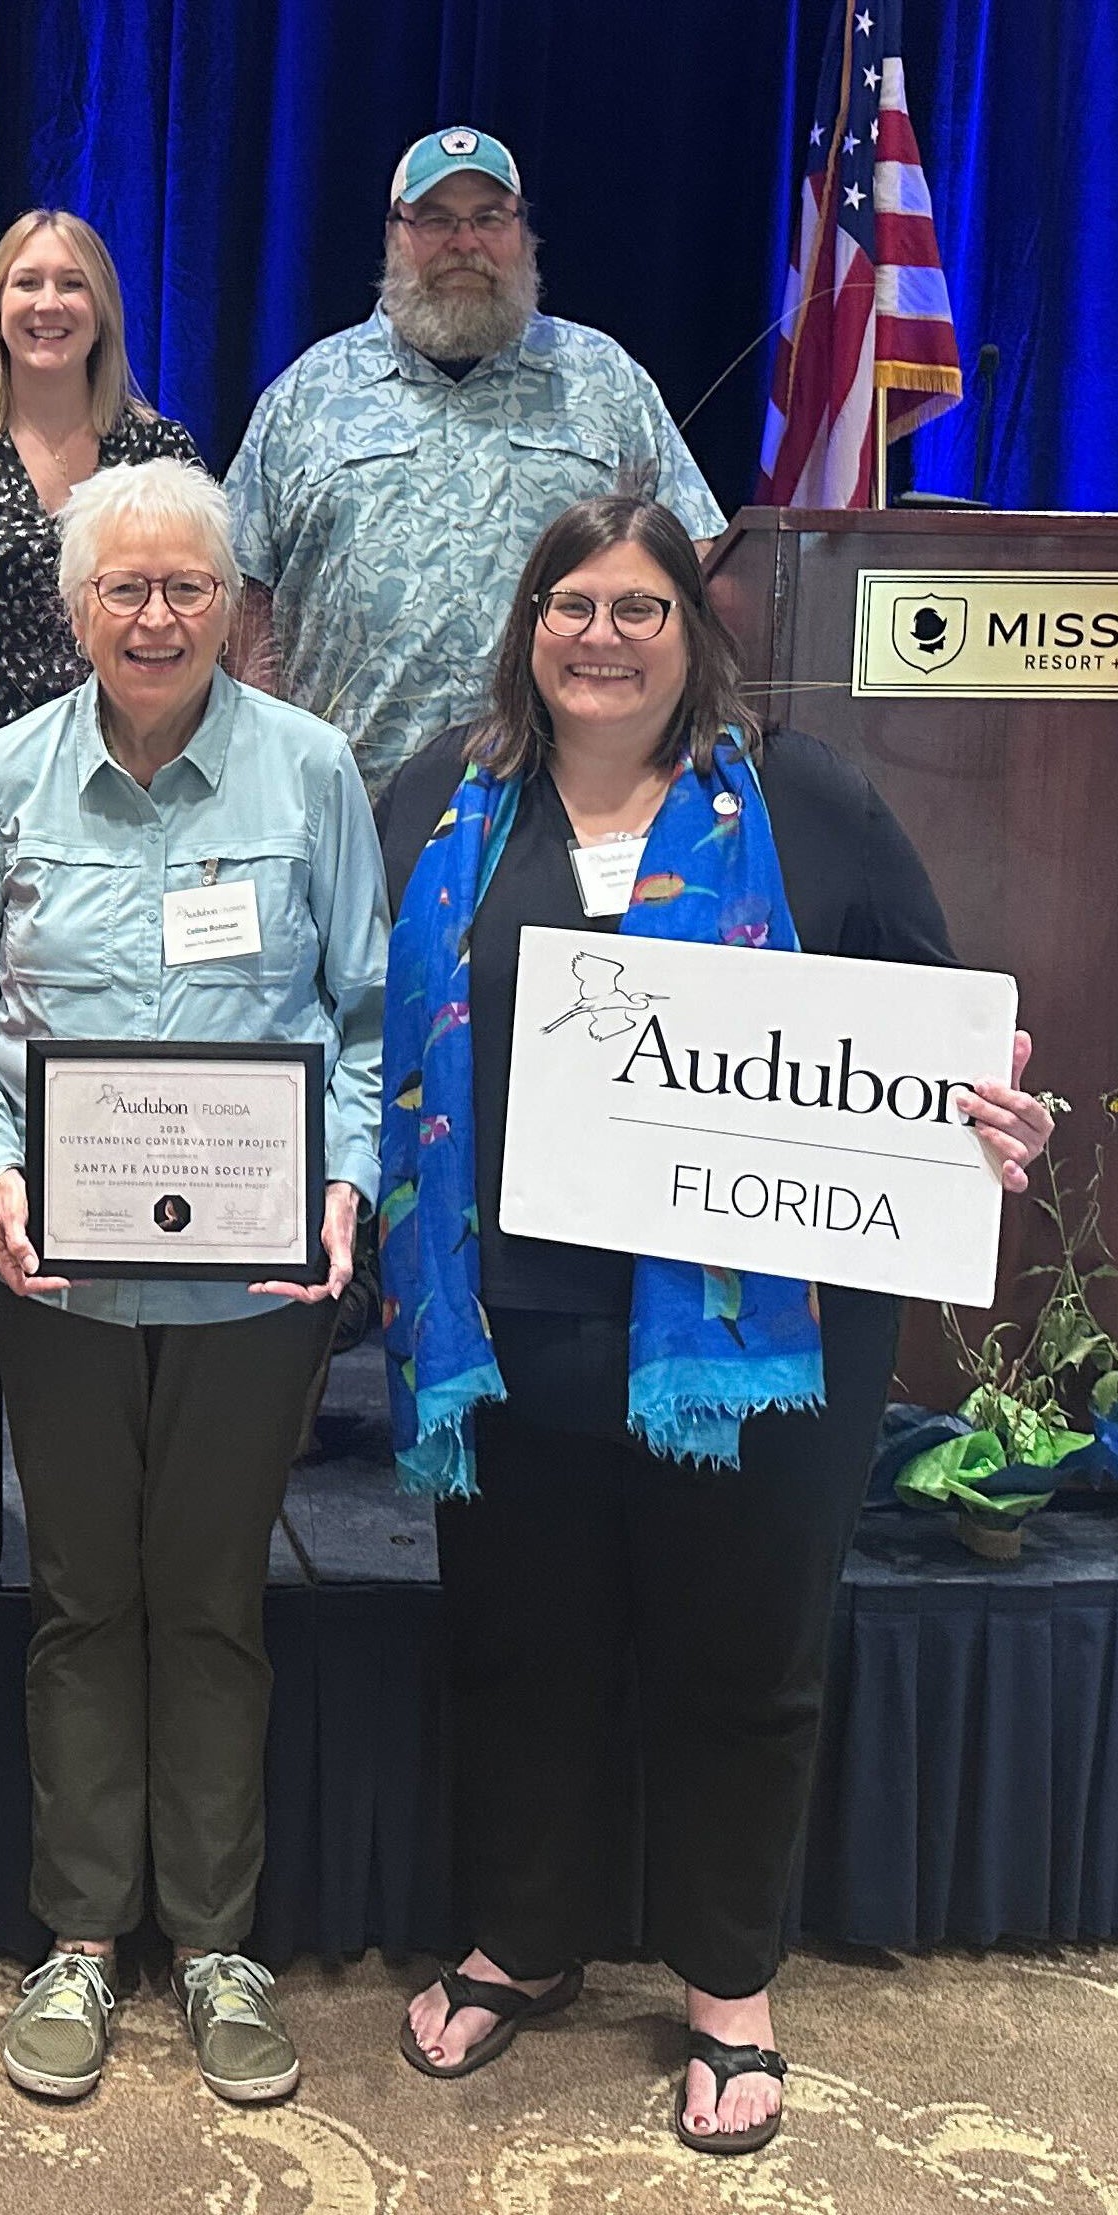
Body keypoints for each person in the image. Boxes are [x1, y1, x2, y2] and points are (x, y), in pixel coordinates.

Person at [375, 494, 1054, 2155]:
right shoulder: (435, 805)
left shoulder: (803, 801)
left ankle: (729, 1984)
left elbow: (933, 1016)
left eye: (640, 607)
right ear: (528, 625)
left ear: (696, 631)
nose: (601, 635)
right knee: (523, 1643)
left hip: (766, 1339)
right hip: (513, 1325)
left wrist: (992, 1114)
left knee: (744, 1654)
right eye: (570, 603)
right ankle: (524, 1940)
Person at [0, 458, 386, 2108]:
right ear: (72, 610)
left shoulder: (312, 773)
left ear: (231, 605)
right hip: (57, 1283)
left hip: (251, 1296)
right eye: (124, 587)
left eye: (188, 586)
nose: (157, 614)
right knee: (82, 1603)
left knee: (211, 1606)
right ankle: (76, 1938)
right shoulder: (1, 781)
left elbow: (362, 1019)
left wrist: (345, 1185)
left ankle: (214, 1947)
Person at [220, 127, 726, 795]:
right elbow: (238, 595)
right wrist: (258, 774)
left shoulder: (605, 383)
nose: (465, 242)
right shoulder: (306, 396)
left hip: (566, 801)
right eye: (435, 219)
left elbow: (699, 559)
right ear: (394, 234)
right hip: (352, 808)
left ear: (523, 234)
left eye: (489, 218)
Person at [0, 210, 206, 794]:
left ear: (102, 314)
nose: (49, 304)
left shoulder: (159, 450)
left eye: (73, 284)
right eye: (27, 282)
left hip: (142, 774)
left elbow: (203, 606)